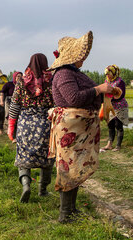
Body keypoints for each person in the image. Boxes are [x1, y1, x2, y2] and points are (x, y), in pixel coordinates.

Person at [48, 31, 113, 223]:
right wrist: (98, 89)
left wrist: (104, 92)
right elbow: (73, 98)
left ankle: (71, 209)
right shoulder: (64, 74)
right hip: (72, 130)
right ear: (72, 56)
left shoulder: (73, 72)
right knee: (68, 169)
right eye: (80, 55)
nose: (83, 58)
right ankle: (65, 214)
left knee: (75, 168)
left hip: (79, 130)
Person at [8, 53, 55, 203]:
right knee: (47, 157)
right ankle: (42, 190)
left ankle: (26, 185)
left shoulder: (22, 81)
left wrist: (11, 127)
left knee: (23, 156)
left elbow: (15, 105)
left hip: (25, 125)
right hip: (44, 125)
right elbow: (57, 103)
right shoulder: (50, 80)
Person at [100, 65, 129, 151]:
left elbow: (121, 95)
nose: (108, 76)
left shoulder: (120, 82)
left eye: (109, 74)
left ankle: (118, 146)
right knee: (110, 124)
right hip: (110, 106)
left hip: (120, 106)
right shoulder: (106, 81)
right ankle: (109, 144)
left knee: (118, 125)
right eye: (106, 74)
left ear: (114, 73)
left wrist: (112, 95)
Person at [2, 71, 22, 142]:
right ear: (14, 77)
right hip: (9, 102)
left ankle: (15, 136)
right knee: (10, 117)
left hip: (19, 103)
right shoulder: (9, 84)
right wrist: (1, 101)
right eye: (18, 76)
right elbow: (2, 92)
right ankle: (11, 134)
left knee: (17, 119)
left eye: (20, 76)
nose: (19, 78)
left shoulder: (23, 85)